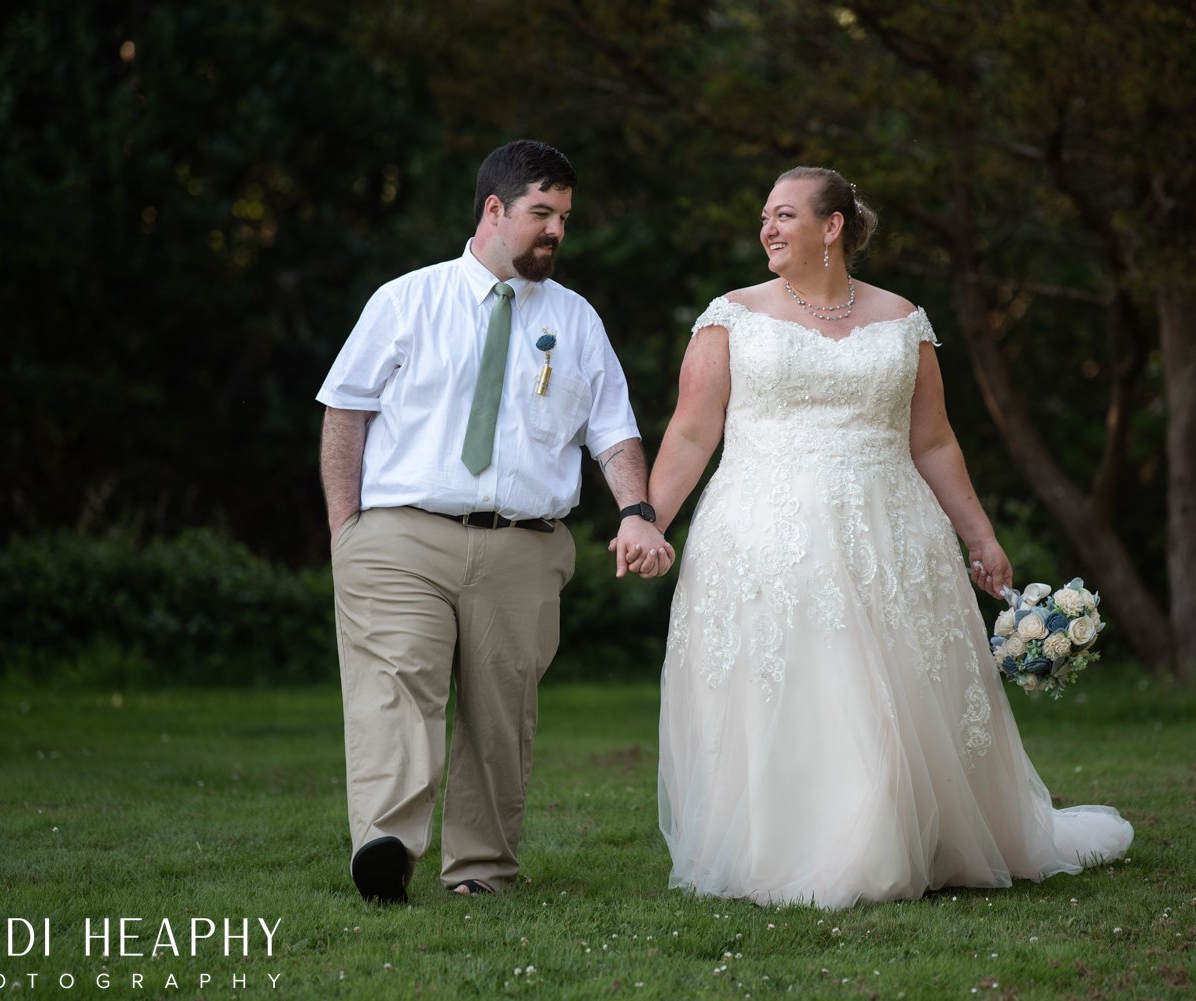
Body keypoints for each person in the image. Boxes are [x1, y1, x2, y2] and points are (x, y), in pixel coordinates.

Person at [643, 166, 1133, 908]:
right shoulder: (732, 316)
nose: (766, 230)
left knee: (890, 692)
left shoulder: (903, 318)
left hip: (892, 529)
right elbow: (690, 430)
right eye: (764, 218)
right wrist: (647, 520)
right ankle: (806, 847)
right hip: (766, 530)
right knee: (812, 681)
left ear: (832, 226)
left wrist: (980, 536)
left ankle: (912, 837)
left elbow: (933, 441)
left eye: (783, 215)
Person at [317, 140, 673, 904]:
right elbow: (345, 411)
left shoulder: (576, 320)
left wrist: (637, 511)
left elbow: (613, 432)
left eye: (565, 219)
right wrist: (346, 530)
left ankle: (480, 870)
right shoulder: (405, 300)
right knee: (396, 685)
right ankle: (385, 843)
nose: (555, 233)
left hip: (524, 547)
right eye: (541, 214)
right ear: (492, 209)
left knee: (500, 717)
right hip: (401, 534)